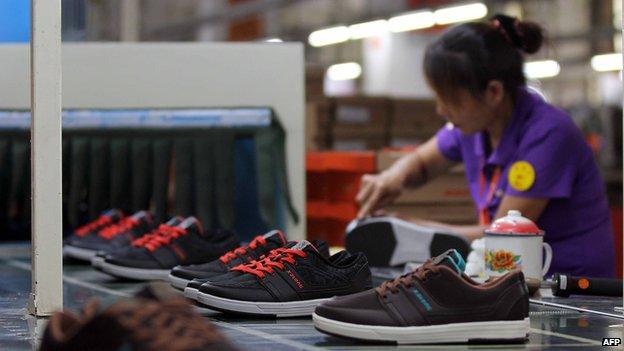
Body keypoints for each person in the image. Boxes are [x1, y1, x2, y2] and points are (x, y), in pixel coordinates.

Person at [356, 14, 615, 278]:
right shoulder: (474, 126)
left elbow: (501, 235)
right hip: (509, 277)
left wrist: (412, 229)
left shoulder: (549, 135)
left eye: (451, 100)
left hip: (569, 289)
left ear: (493, 92)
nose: (441, 110)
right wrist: (391, 178)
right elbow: (422, 162)